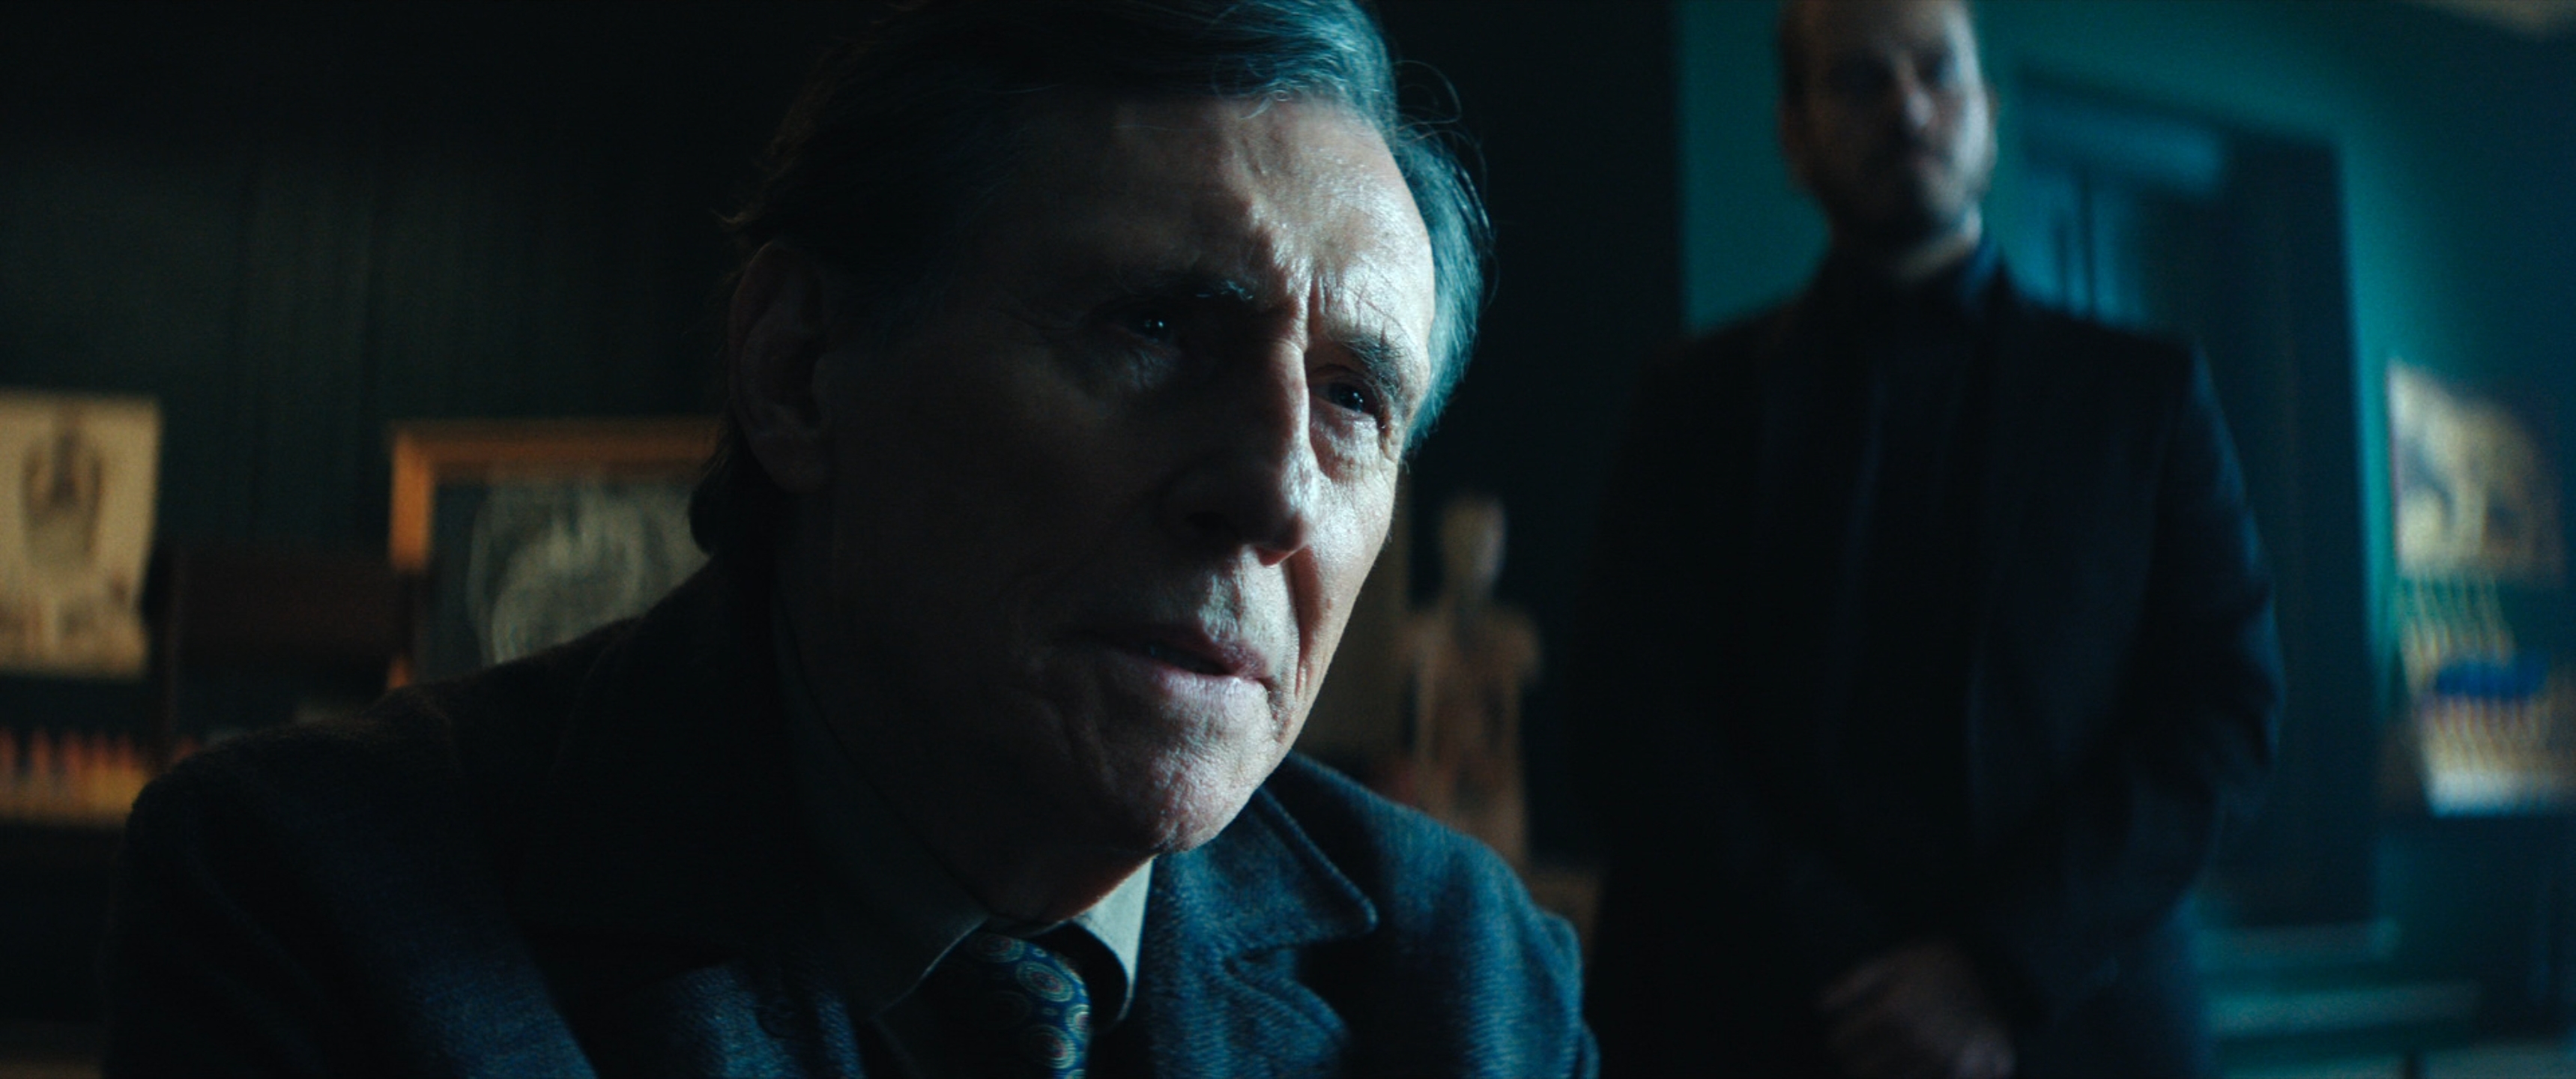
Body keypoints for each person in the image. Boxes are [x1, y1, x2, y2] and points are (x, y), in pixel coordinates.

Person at [100, 2, 1594, 1075]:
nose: (1272, 494)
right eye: (1151, 327)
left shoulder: (1470, 983)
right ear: (799, 370)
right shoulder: (313, 900)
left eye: (1351, 400)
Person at [1570, 1, 2282, 1078]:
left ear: (1987, 109)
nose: (1908, 108)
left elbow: (2225, 712)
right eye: (1859, 80)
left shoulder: (2147, 397)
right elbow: (1627, 719)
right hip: (1756, 1026)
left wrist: (1997, 968)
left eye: (1936, 71)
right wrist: (1850, 970)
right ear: (1793, 134)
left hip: (2074, 1029)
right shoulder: (1691, 402)